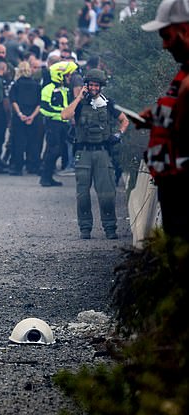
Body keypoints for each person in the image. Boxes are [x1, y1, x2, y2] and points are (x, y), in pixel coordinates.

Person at [137, 0, 189, 241]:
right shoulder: (183, 73)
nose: (165, 45)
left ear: (185, 30)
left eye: (167, 36)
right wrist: (156, 116)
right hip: (172, 188)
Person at [61, 69, 129, 239]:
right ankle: (85, 228)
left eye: (96, 85)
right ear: (86, 85)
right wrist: (78, 98)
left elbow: (125, 120)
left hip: (102, 152)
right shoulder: (79, 104)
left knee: (107, 193)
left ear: (101, 87)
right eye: (90, 84)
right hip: (83, 153)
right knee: (82, 194)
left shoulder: (108, 104)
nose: (93, 88)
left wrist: (119, 134)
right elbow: (64, 115)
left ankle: (110, 228)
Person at [39, 60, 78, 187]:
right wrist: (62, 111)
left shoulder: (64, 90)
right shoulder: (48, 89)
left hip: (63, 124)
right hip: (53, 124)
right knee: (53, 150)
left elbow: (66, 105)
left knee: (60, 150)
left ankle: (49, 176)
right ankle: (45, 177)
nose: (70, 77)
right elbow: (44, 108)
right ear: (59, 75)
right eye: (67, 75)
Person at [9, 61, 42, 175]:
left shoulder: (16, 85)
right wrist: (32, 116)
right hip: (34, 116)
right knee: (33, 142)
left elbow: (13, 101)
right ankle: (32, 166)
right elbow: (39, 103)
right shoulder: (37, 85)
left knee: (19, 142)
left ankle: (18, 167)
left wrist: (20, 114)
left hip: (20, 117)